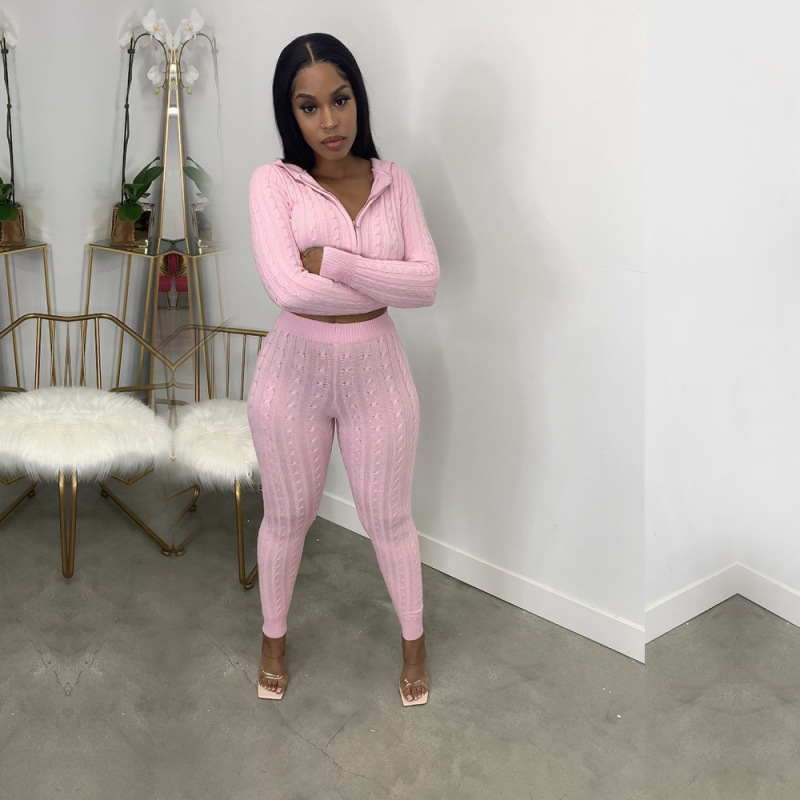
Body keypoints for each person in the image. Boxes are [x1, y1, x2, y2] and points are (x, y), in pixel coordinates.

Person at [247, 32, 439, 706]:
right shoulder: (273, 183)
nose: (329, 120)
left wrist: (333, 262)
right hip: (290, 375)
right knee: (287, 517)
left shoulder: (395, 181)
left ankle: (414, 644)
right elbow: (286, 289)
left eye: (341, 99)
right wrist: (384, 279)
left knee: (389, 519)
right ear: (289, 113)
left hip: (377, 371)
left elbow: (427, 284)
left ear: (359, 99)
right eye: (309, 107)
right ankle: (273, 639)